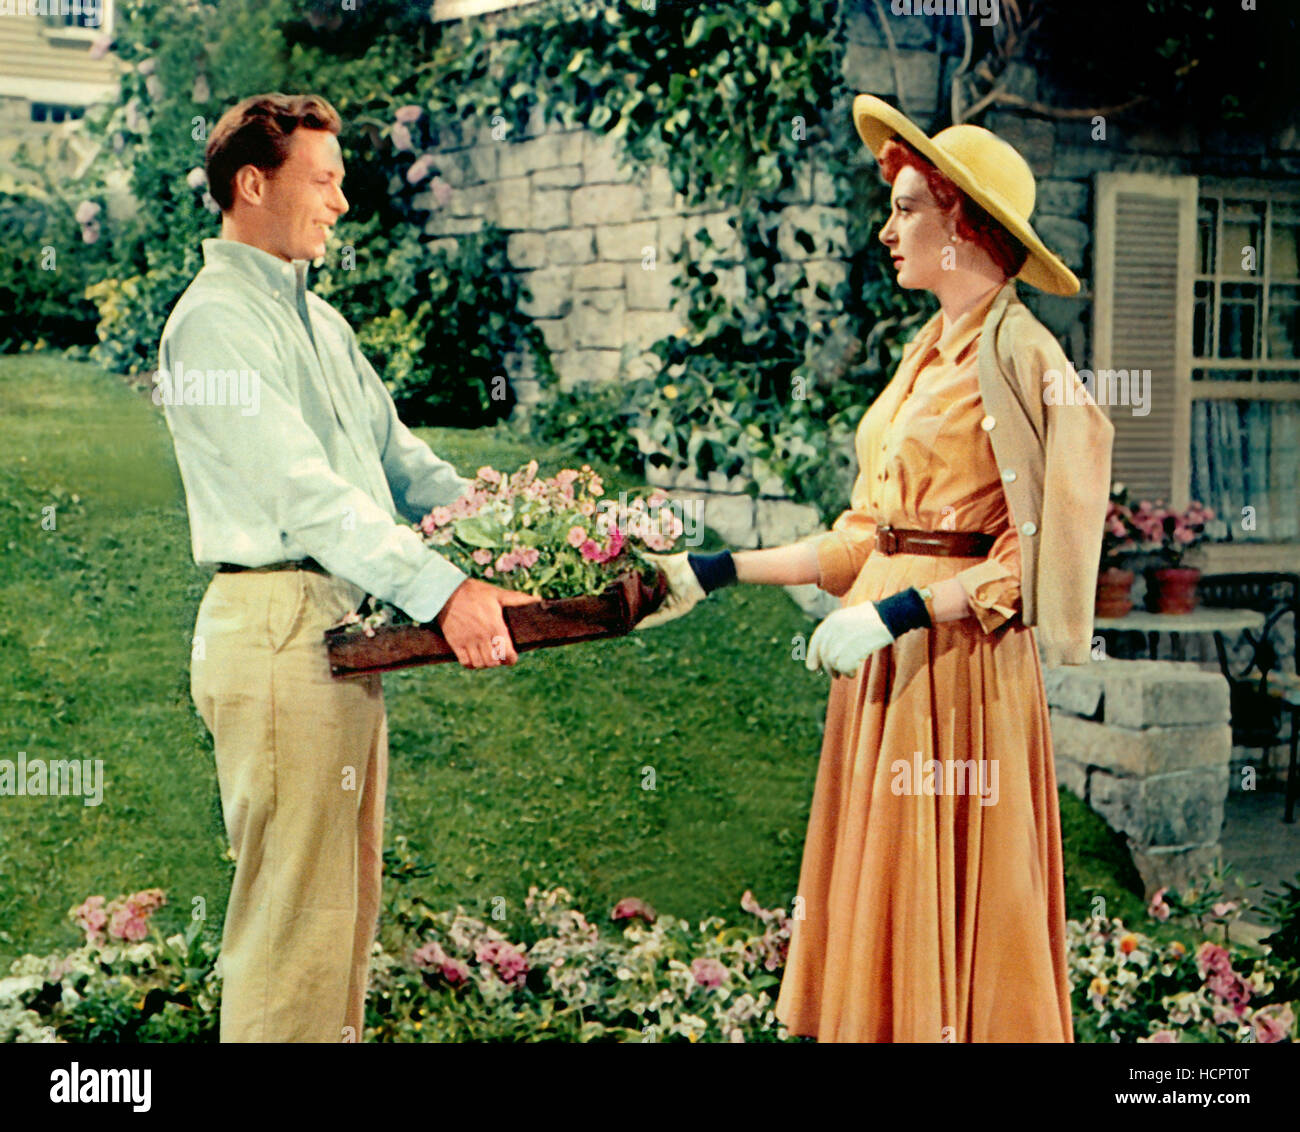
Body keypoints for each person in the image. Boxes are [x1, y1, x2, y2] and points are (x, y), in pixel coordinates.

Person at [639, 95, 1113, 1042]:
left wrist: (894, 615)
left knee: (953, 911)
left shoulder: (1025, 357)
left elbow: (1033, 559)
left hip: (957, 674)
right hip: (889, 675)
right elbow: (865, 534)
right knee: (883, 912)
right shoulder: (924, 353)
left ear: (966, 224)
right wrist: (716, 569)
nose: (885, 229)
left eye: (905, 209)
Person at [156, 92, 537, 1042]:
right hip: (278, 630)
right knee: (292, 931)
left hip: (339, 634)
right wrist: (446, 592)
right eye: (323, 181)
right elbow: (308, 499)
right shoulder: (214, 327)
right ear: (254, 183)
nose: (341, 202)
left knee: (339, 917)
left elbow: (404, 467)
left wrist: (530, 532)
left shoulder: (318, 322)